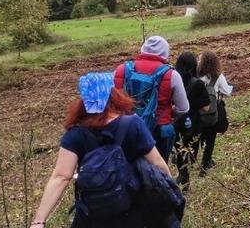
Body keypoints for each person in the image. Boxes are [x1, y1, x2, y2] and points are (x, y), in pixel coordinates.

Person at [29, 73, 171, 228]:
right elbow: (158, 163)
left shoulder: (76, 133)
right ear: (113, 94)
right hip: (130, 214)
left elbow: (61, 176)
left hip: (90, 216)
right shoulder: (133, 124)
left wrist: (39, 220)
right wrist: (172, 197)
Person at [114, 35, 189, 161]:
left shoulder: (121, 70)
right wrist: (171, 111)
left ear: (143, 49)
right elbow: (183, 108)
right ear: (165, 52)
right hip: (159, 129)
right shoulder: (172, 74)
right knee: (157, 171)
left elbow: (113, 101)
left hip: (126, 128)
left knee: (129, 166)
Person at [173, 51, 209, 191]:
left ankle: (183, 175)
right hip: (193, 122)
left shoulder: (173, 80)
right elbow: (206, 107)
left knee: (179, 148)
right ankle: (185, 176)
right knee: (191, 150)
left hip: (176, 121)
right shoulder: (198, 83)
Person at [197, 51, 232, 175]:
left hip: (198, 111)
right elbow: (227, 92)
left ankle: (197, 160)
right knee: (210, 138)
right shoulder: (218, 76)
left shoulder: (196, 76)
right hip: (212, 112)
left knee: (200, 136)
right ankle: (205, 164)